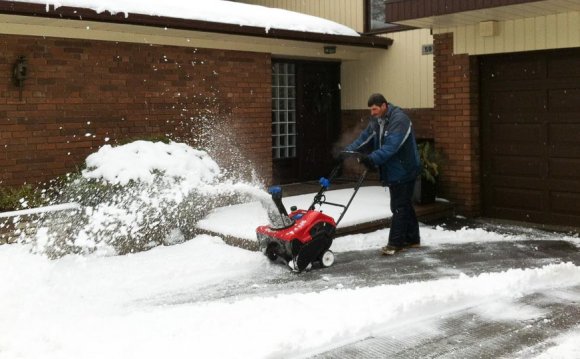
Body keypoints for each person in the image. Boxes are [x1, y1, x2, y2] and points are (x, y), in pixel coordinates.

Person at [343, 93, 421, 255]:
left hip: (404, 169)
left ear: (384, 106)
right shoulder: (378, 120)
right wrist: (348, 150)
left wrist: (371, 159)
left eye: (375, 109)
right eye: (371, 109)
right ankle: (413, 239)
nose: (372, 112)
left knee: (398, 206)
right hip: (393, 169)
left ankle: (395, 243)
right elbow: (365, 137)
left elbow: (392, 146)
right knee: (404, 204)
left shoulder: (399, 120)